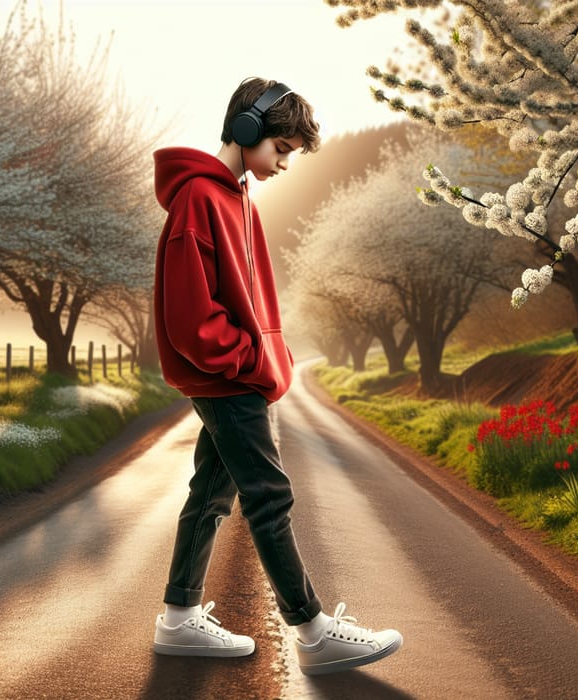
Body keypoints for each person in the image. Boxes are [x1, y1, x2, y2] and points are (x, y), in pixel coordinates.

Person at [151, 77, 403, 675]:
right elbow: (191, 319)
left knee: (212, 494)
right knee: (269, 496)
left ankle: (179, 621)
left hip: (235, 375)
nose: (286, 164)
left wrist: (270, 356)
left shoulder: (236, 196)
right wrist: (246, 358)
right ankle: (314, 632)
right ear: (246, 131)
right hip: (226, 377)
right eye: (281, 149)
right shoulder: (199, 200)